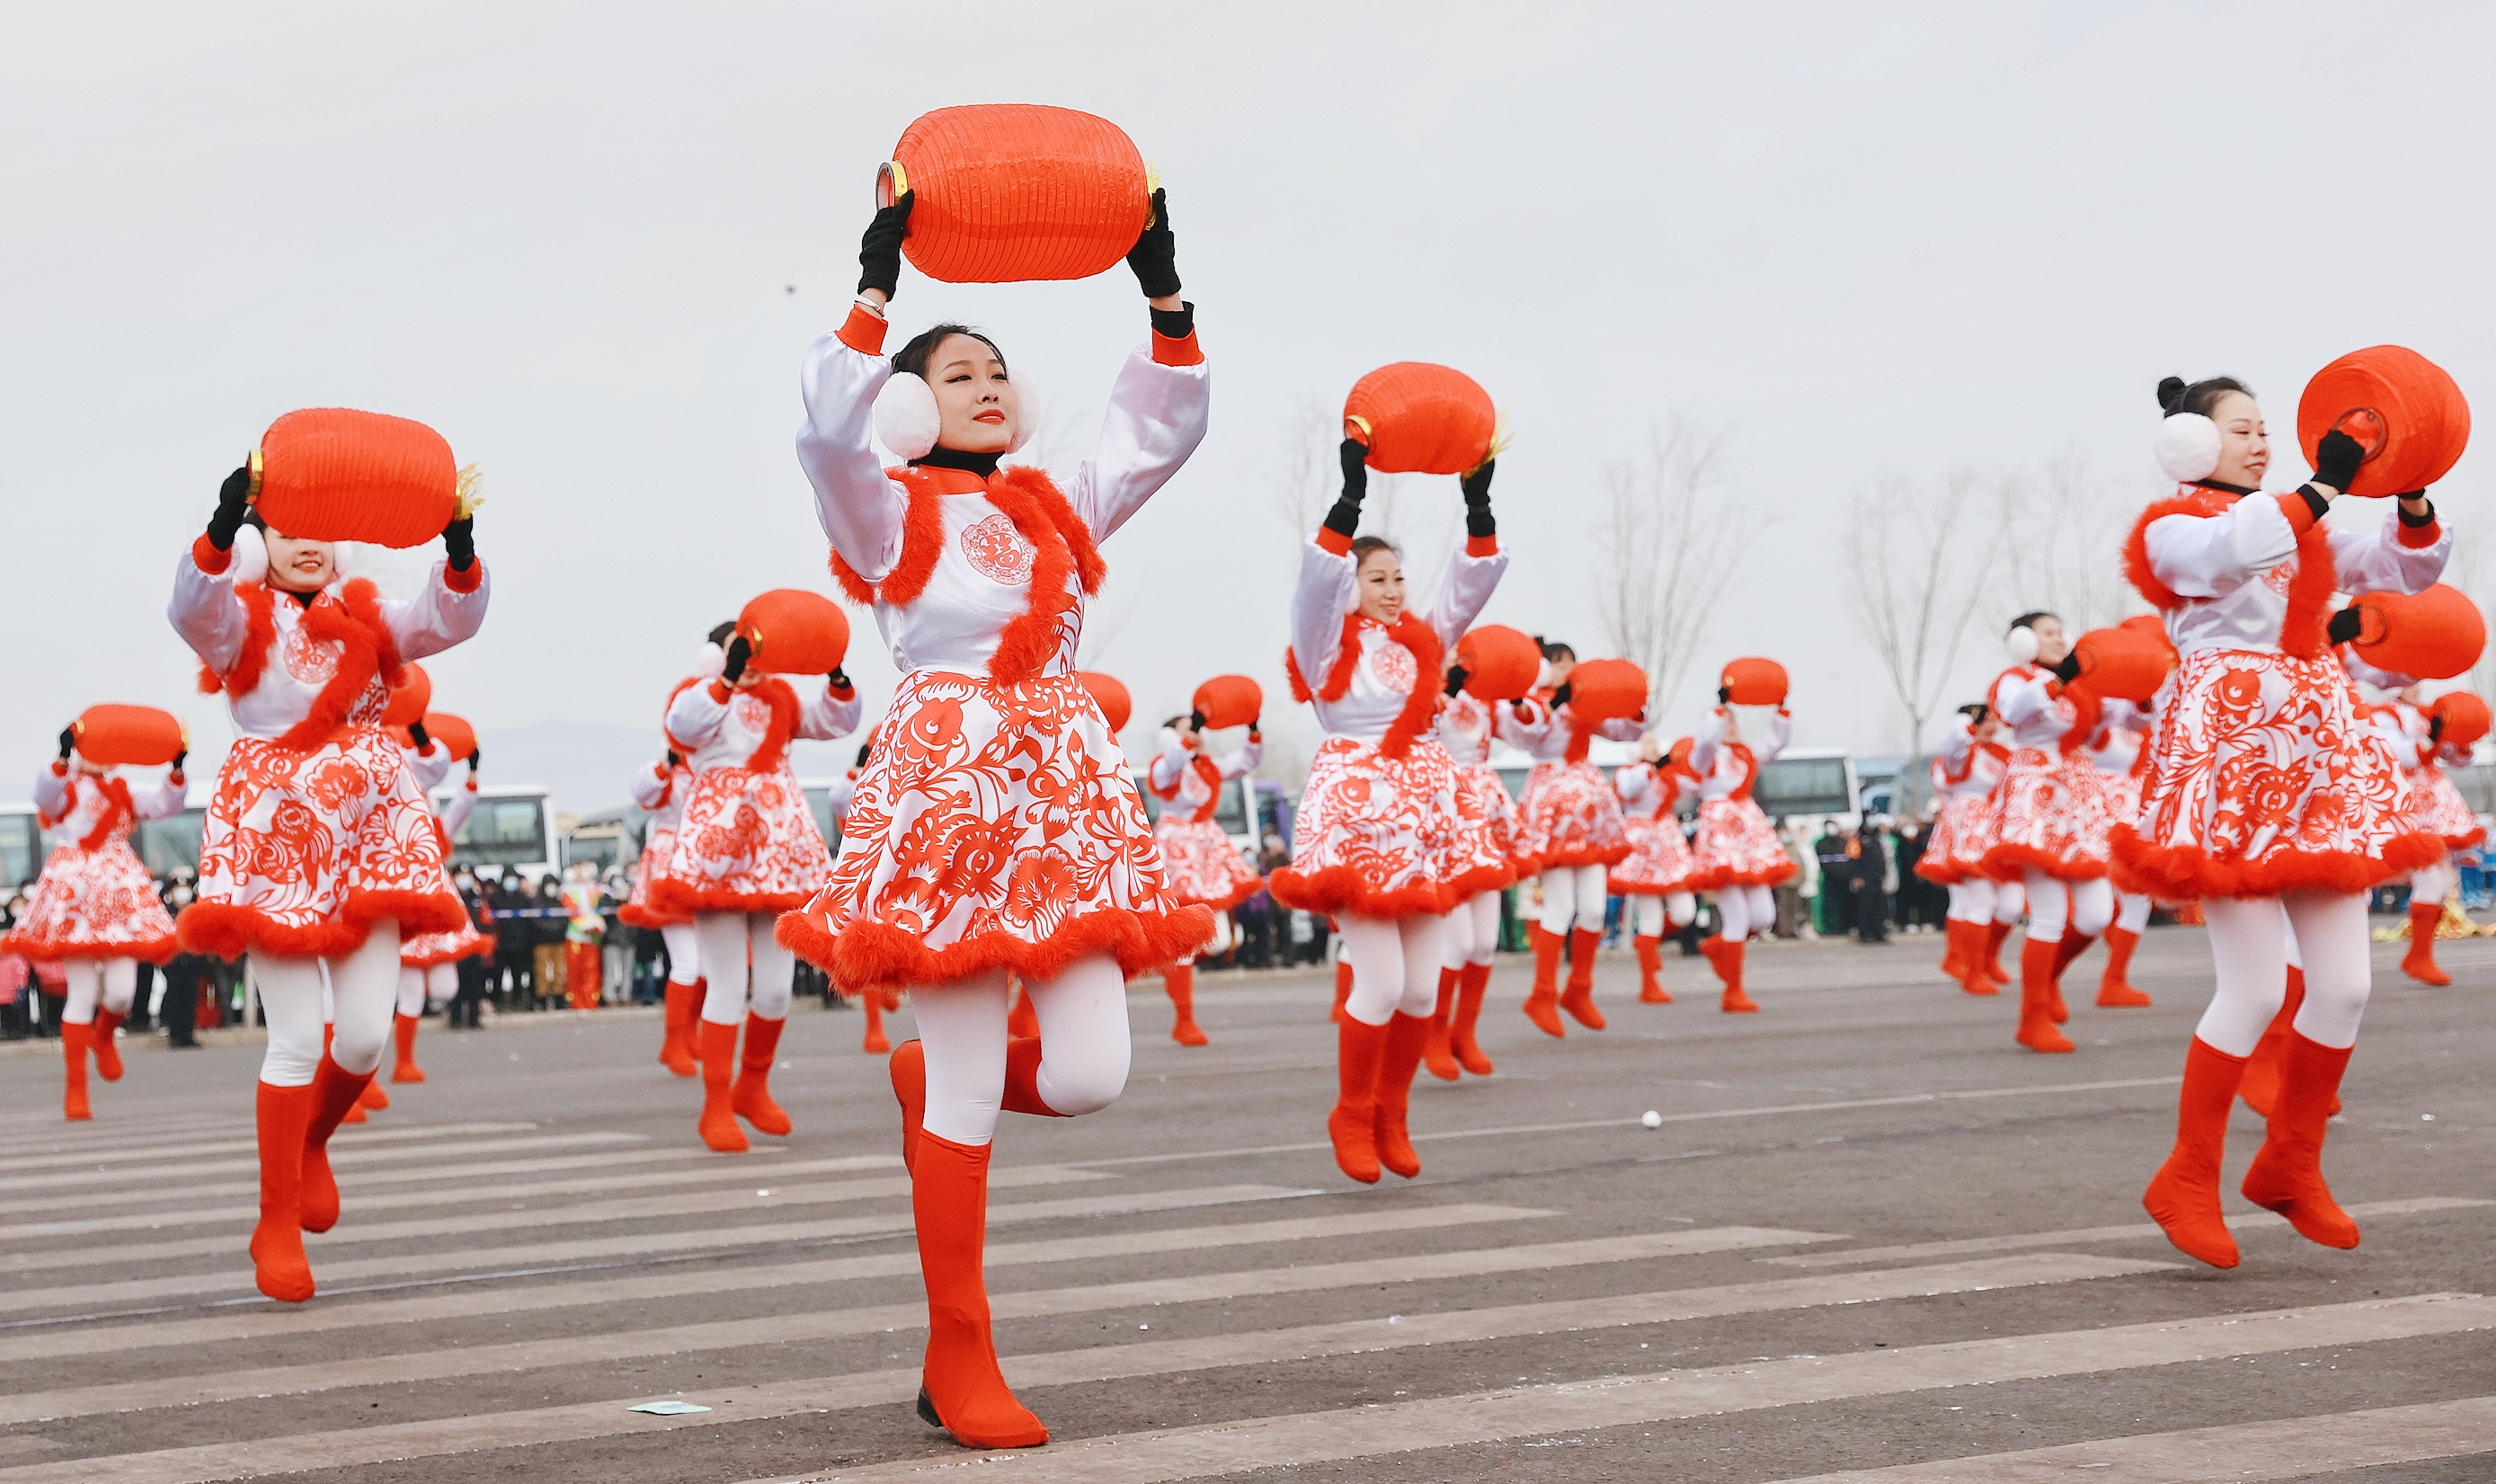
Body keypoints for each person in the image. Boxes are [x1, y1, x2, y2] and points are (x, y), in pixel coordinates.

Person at [773, 186, 1207, 1451]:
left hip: (1064, 799)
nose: (987, 384)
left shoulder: (1051, 503)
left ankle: (927, 1082)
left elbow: (1155, 431)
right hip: (948, 796)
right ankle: (959, 1350)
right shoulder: (887, 506)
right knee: (968, 1076)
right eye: (958, 372)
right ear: (912, 403)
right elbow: (826, 438)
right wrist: (874, 286)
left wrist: (1161, 293)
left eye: (999, 370)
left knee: (1088, 1075)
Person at [2124, 375, 2447, 1270]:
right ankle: (2184, 1175)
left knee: (2343, 986)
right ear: (2191, 442)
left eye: (2265, 428)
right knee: (2256, 989)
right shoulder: (2172, 527)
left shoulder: (2303, 524)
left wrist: (2410, 489)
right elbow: (2233, 548)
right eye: (2240, 429)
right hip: (2228, 755)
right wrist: (2321, 485)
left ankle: (2288, 1162)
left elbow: (2406, 567)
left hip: (2313, 751)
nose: (2260, 440)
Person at [168, 441, 488, 1302]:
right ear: (262, 538)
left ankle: (311, 1141)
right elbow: (191, 615)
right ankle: (274, 1219)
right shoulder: (240, 618)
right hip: (274, 835)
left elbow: (446, 620)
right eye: (286, 529)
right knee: (297, 1037)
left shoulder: (371, 612)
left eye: (321, 532)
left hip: (367, 832)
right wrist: (218, 526)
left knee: (362, 1038)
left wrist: (456, 549)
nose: (307, 544)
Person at [1270, 428, 1506, 1187]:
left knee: (1418, 986)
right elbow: (1312, 585)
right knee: (1375, 983)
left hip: (1426, 816)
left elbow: (1466, 589)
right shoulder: (1324, 644)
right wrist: (1348, 501)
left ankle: (1391, 1111)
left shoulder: (1423, 642)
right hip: (1357, 812)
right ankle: (1349, 1110)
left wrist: (1478, 507)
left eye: (1398, 576)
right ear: (1351, 584)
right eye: (1377, 577)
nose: (1394, 587)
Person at [652, 628, 860, 1151]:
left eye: (752, 653)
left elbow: (835, 720)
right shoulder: (700, 696)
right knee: (725, 984)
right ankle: (715, 1105)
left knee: (773, 988)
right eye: (737, 652)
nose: (748, 662)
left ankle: (753, 1087)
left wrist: (835, 675)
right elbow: (683, 726)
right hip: (718, 846)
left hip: (778, 848)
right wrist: (724, 679)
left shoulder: (781, 698)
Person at [0, 726, 188, 1117]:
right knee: (82, 994)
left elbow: (164, 806)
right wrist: (62, 758)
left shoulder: (125, 792)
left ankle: (103, 1037)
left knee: (122, 993)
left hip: (119, 895)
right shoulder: (66, 790)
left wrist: (176, 771)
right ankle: (76, 1091)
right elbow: (44, 796)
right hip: (76, 898)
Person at [1977, 612, 2115, 1053]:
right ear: (2023, 641)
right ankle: (2031, 1018)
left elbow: (2108, 728)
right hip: (2037, 794)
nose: (2058, 639)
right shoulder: (2014, 678)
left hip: (2078, 795)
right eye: (2047, 633)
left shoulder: (2077, 685)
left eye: (2061, 632)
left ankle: (2048, 978)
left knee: (2096, 914)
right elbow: (2016, 711)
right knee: (2049, 915)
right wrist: (2060, 680)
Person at [1498, 642, 1643, 1034]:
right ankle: (1542, 993)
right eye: (1559, 664)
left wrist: (1634, 703)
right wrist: (1548, 700)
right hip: (1553, 806)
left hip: (1589, 806)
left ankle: (1579, 989)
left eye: (1570, 663)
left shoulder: (1584, 702)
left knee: (1595, 909)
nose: (1568, 669)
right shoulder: (1536, 703)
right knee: (1560, 909)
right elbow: (1527, 731)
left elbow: (1620, 729)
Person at [1147, 707, 1266, 1045]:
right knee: (1186, 934)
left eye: (1198, 728)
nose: (1198, 733)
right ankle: (1184, 1019)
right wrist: (1186, 738)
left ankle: (1167, 952)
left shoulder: (1207, 765)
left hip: (1206, 844)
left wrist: (1252, 729)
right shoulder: (1164, 764)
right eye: (1189, 728)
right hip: (1178, 847)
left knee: (1215, 940)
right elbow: (1171, 763)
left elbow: (1243, 762)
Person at [1431, 667, 1529, 1077]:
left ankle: (1464, 1033)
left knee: (1485, 943)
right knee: (1458, 943)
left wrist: (1522, 701)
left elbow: (1525, 737)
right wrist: (1445, 688)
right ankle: (1433, 1035)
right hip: (1443, 802)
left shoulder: (1488, 697)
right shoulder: (1426, 688)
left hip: (1486, 809)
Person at [1686, 689, 1797, 1011]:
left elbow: (1775, 743)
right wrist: (1718, 710)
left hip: (1749, 833)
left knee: (1763, 916)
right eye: (1725, 722)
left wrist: (1781, 710)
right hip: (1720, 834)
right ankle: (1733, 992)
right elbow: (1706, 742)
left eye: (1734, 721)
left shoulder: (1747, 753)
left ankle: (1719, 947)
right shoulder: (1703, 756)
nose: (1731, 726)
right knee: (1736, 917)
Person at [392, 742, 490, 1080]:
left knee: (446, 987)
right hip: (403, 906)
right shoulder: (390, 824)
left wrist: (473, 772)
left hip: (436, 910)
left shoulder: (436, 829)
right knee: (411, 996)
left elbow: (462, 807)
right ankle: (403, 1061)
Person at [620, 725, 702, 1073]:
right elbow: (643, 792)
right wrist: (665, 764)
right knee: (687, 964)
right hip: (671, 866)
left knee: (709, 967)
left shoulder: (708, 769)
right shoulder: (665, 774)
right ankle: (673, 1043)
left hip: (703, 863)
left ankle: (689, 1036)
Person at [1921, 705, 2012, 994]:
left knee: (2009, 905)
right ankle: (1970, 967)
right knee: (1975, 901)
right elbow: (1951, 751)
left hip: (1998, 827)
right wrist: (1964, 723)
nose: (1995, 725)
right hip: (1968, 829)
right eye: (1989, 720)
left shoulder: (2001, 754)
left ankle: (1984, 959)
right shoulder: (1961, 753)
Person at [1608, 736, 1699, 1003]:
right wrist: (1654, 766)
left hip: (1668, 843)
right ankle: (1649, 984)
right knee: (1650, 918)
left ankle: (1646, 943)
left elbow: (1694, 783)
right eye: (1647, 743)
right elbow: (1627, 791)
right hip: (1642, 845)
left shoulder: (1668, 773)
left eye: (1654, 743)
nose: (1653, 747)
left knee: (1685, 913)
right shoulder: (1628, 772)